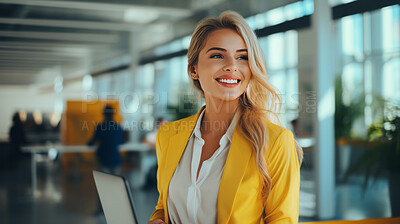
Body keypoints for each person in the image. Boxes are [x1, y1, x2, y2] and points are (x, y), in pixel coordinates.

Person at [148, 11, 303, 224]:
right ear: (194, 69)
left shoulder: (275, 141)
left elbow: (281, 220)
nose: (232, 65)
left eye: (242, 57)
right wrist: (156, 219)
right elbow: (163, 206)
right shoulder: (168, 135)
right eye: (217, 55)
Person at [87, 105, 124, 175]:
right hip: (116, 158)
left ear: (103, 114)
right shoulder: (118, 127)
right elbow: (121, 142)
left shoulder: (100, 127)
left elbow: (91, 142)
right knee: (116, 181)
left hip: (104, 159)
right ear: (113, 114)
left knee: (105, 182)